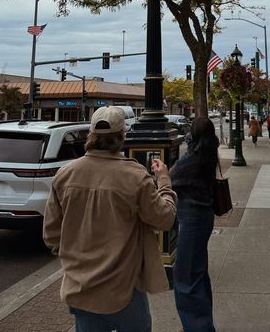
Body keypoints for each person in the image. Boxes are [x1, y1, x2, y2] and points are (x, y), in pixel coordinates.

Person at [43, 106, 177, 332]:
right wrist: (164, 182)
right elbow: (164, 219)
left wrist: (75, 258)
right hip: (123, 287)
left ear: (91, 136)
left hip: (80, 287)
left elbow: (51, 235)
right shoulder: (134, 176)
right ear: (122, 136)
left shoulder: (65, 174)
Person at [169, 117, 219, 332]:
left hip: (191, 218)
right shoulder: (208, 152)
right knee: (197, 272)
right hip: (204, 216)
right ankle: (202, 323)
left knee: (185, 277)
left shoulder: (193, 159)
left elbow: (171, 176)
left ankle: (198, 327)